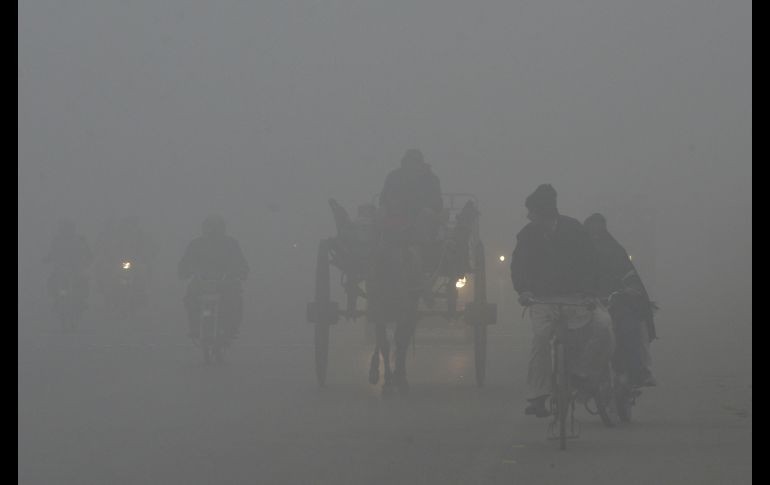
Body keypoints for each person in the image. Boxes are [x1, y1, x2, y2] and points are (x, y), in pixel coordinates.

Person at [510, 184, 613, 417]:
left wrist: (589, 292)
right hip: (542, 301)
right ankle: (538, 396)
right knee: (540, 340)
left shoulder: (575, 230)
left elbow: (592, 263)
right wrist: (523, 290)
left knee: (604, 328)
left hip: (578, 299)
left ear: (543, 213)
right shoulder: (527, 235)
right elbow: (518, 266)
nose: (528, 217)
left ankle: (584, 373)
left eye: (532, 212)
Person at [584, 213, 657, 387]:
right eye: (592, 230)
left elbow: (629, 274)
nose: (596, 234)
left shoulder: (615, 251)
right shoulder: (579, 254)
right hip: (587, 304)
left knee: (632, 327)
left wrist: (631, 289)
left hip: (616, 301)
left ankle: (638, 371)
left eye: (599, 229)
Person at [178, 215, 249, 342]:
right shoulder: (196, 244)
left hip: (227, 282)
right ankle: (195, 326)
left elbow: (240, 262)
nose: (213, 231)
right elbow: (185, 262)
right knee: (191, 299)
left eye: (216, 228)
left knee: (235, 300)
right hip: (201, 283)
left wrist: (241, 272)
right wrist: (184, 272)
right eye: (211, 228)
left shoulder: (230, 244)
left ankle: (231, 327)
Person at [378, 149, 443, 245]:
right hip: (396, 216)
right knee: (377, 215)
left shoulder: (431, 179)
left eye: (415, 161)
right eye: (410, 161)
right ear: (405, 162)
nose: (412, 165)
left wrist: (425, 209)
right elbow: (383, 198)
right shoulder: (393, 176)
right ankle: (377, 248)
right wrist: (384, 207)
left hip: (420, 217)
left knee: (426, 216)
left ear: (421, 163)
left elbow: (437, 203)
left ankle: (424, 249)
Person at [44, 219, 92, 309]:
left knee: (83, 280)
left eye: (68, 228)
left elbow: (87, 252)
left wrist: (88, 259)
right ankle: (55, 298)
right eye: (65, 228)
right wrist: (48, 259)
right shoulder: (58, 240)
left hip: (76, 268)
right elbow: (52, 252)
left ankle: (82, 299)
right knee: (52, 280)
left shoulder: (79, 239)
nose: (67, 231)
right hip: (61, 268)